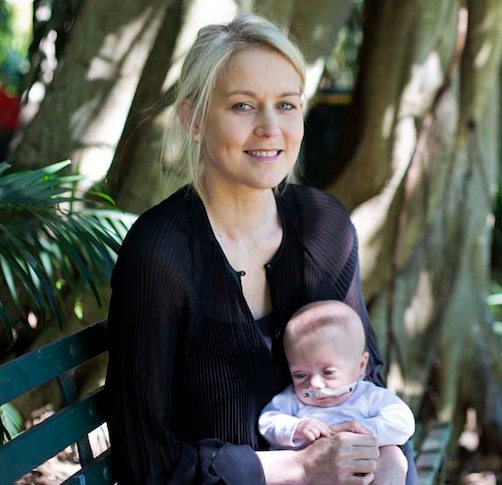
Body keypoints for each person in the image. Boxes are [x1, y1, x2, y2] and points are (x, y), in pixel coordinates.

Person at [105, 14, 416, 484]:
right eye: (244, 106)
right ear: (192, 119)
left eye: (287, 105)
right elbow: (145, 459)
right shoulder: (159, 254)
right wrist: (297, 467)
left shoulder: (324, 228)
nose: (271, 128)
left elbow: (364, 384)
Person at [259, 300, 415, 483]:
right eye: (300, 374)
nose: (315, 383)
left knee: (392, 457)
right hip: (312, 474)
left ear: (361, 366)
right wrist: (296, 428)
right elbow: (268, 421)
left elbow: (403, 422)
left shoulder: (369, 396)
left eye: (328, 372)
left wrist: (368, 430)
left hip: (363, 473)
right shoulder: (293, 399)